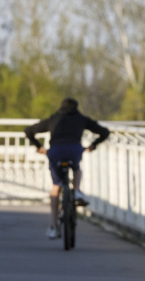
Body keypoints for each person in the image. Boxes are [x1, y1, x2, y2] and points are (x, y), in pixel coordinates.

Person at [25, 98, 110, 239]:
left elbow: (29, 131)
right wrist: (93, 145)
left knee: (55, 187)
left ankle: (53, 226)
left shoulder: (54, 119)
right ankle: (76, 191)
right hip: (74, 150)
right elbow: (105, 132)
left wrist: (38, 146)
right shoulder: (81, 119)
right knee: (76, 168)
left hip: (55, 152)